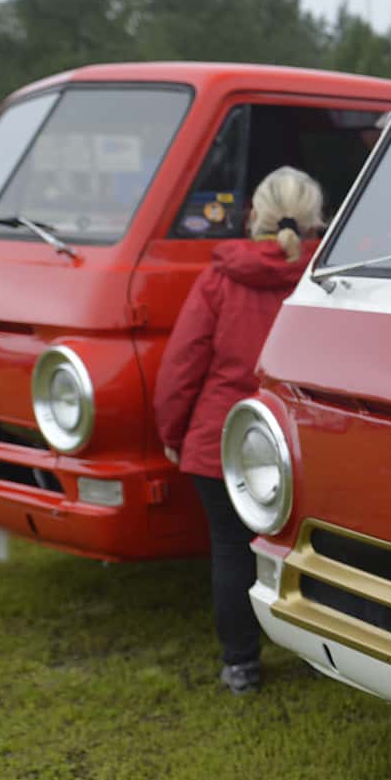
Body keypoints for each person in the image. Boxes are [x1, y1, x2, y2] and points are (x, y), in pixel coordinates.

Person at [154, 167, 326, 693]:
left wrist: (172, 431)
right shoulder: (327, 279)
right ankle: (326, 653)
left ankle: (241, 664)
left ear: (254, 214)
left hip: (225, 444)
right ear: (318, 217)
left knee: (231, 550)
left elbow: (182, 367)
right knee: (313, 554)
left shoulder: (221, 277)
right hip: (308, 447)